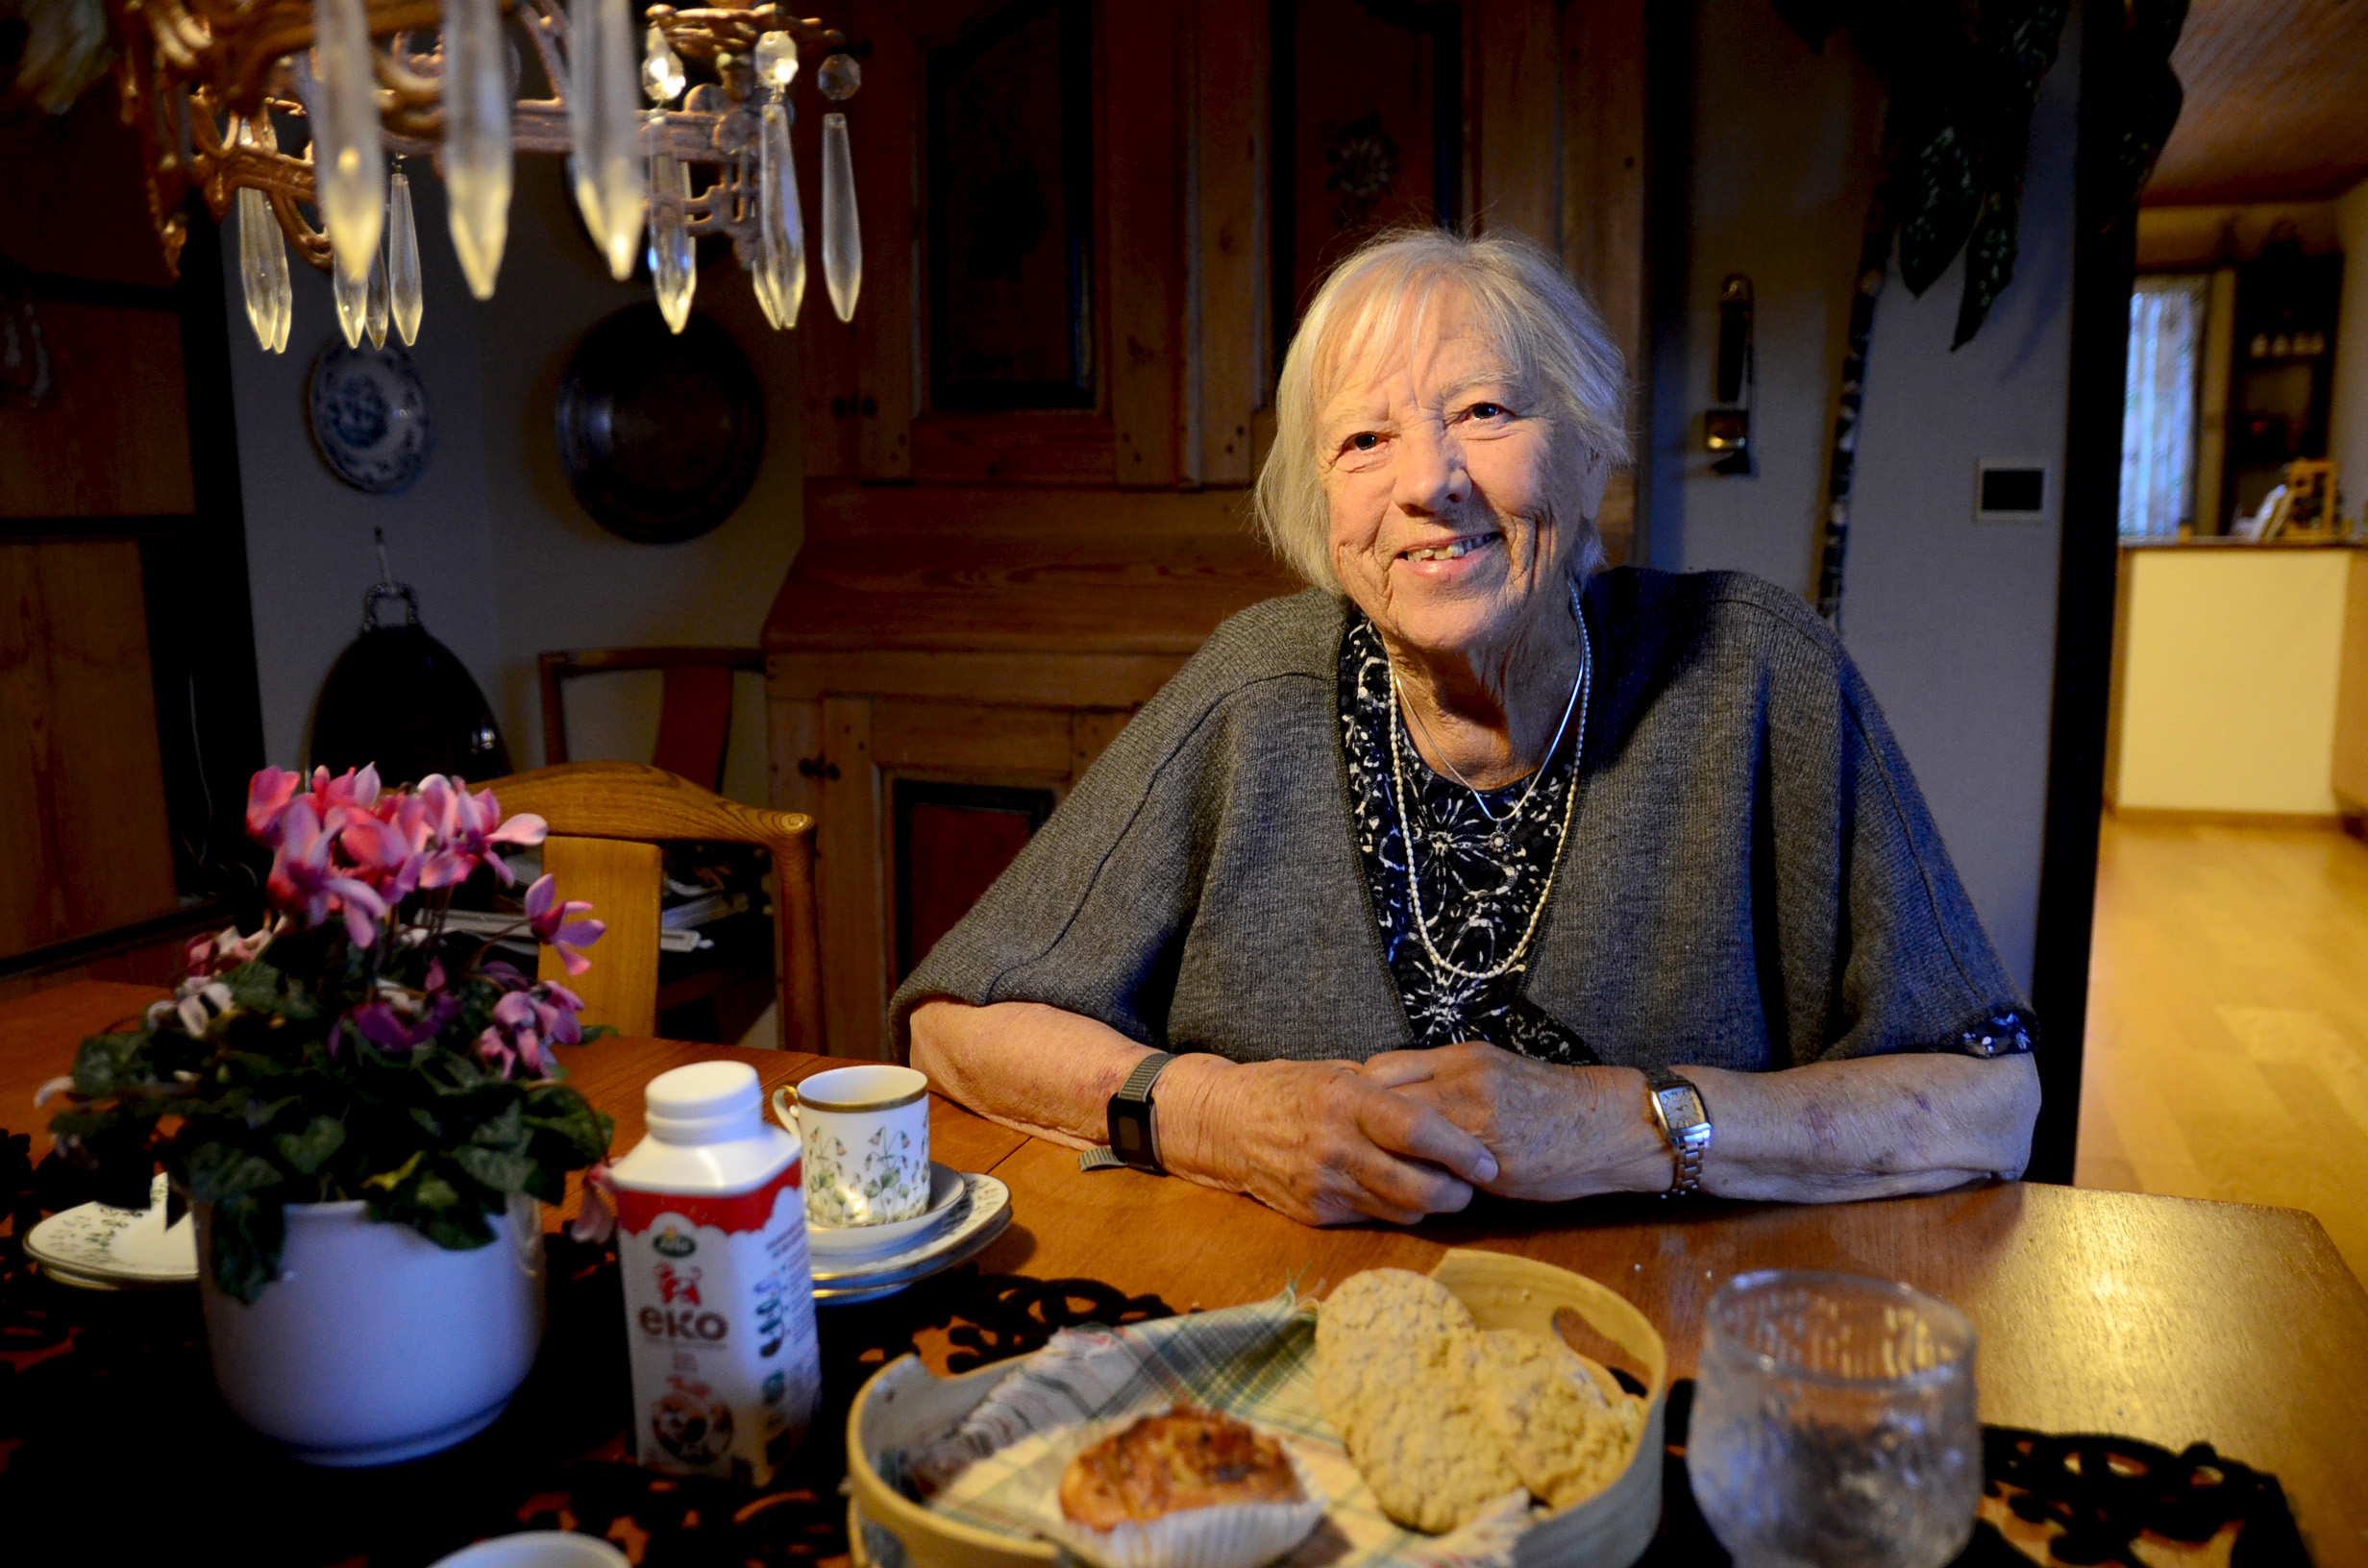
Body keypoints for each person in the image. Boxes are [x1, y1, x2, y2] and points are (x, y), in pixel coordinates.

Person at [893, 229, 2040, 1228]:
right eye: (1363, 443)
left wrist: (1628, 1125)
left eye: (1483, 412)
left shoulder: (1751, 673)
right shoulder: (1255, 688)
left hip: (1664, 1347)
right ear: (1323, 511)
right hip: (1296, 1342)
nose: (1428, 482)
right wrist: (1227, 1118)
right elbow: (953, 1029)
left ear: (1588, 450)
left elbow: (1993, 1100)